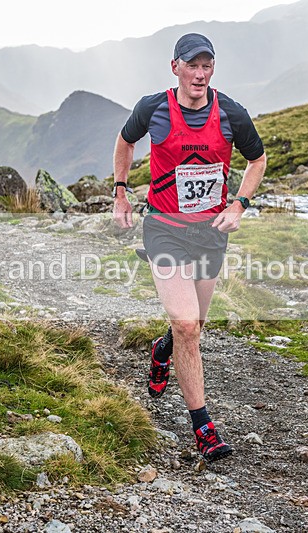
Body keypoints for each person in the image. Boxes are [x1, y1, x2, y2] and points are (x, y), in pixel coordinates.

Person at [112, 33, 267, 463]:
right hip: (164, 229)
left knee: (193, 325)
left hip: (210, 232)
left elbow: (258, 159)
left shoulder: (231, 112)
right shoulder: (153, 107)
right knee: (186, 326)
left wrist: (239, 204)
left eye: (207, 65)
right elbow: (125, 141)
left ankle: (162, 351)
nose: (200, 73)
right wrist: (121, 192)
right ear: (175, 66)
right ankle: (203, 428)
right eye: (192, 65)